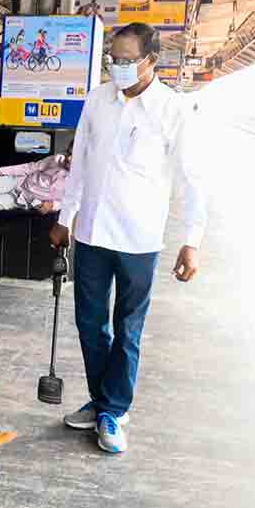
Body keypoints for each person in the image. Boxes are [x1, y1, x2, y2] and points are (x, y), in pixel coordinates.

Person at [48, 23, 208, 454]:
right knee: (89, 323)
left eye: (125, 60)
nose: (116, 67)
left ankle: (114, 411)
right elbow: (79, 162)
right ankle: (105, 402)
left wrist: (192, 239)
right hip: (92, 234)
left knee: (127, 329)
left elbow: (193, 180)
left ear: (150, 61)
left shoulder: (172, 110)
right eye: (112, 60)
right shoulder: (98, 100)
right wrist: (66, 217)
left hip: (139, 241)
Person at [0, 146, 72, 212]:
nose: (68, 158)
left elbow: (69, 203)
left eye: (74, 156)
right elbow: (28, 168)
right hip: (18, 181)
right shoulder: (57, 160)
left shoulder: (78, 185)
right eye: (69, 153)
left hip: (22, 201)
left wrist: (53, 206)